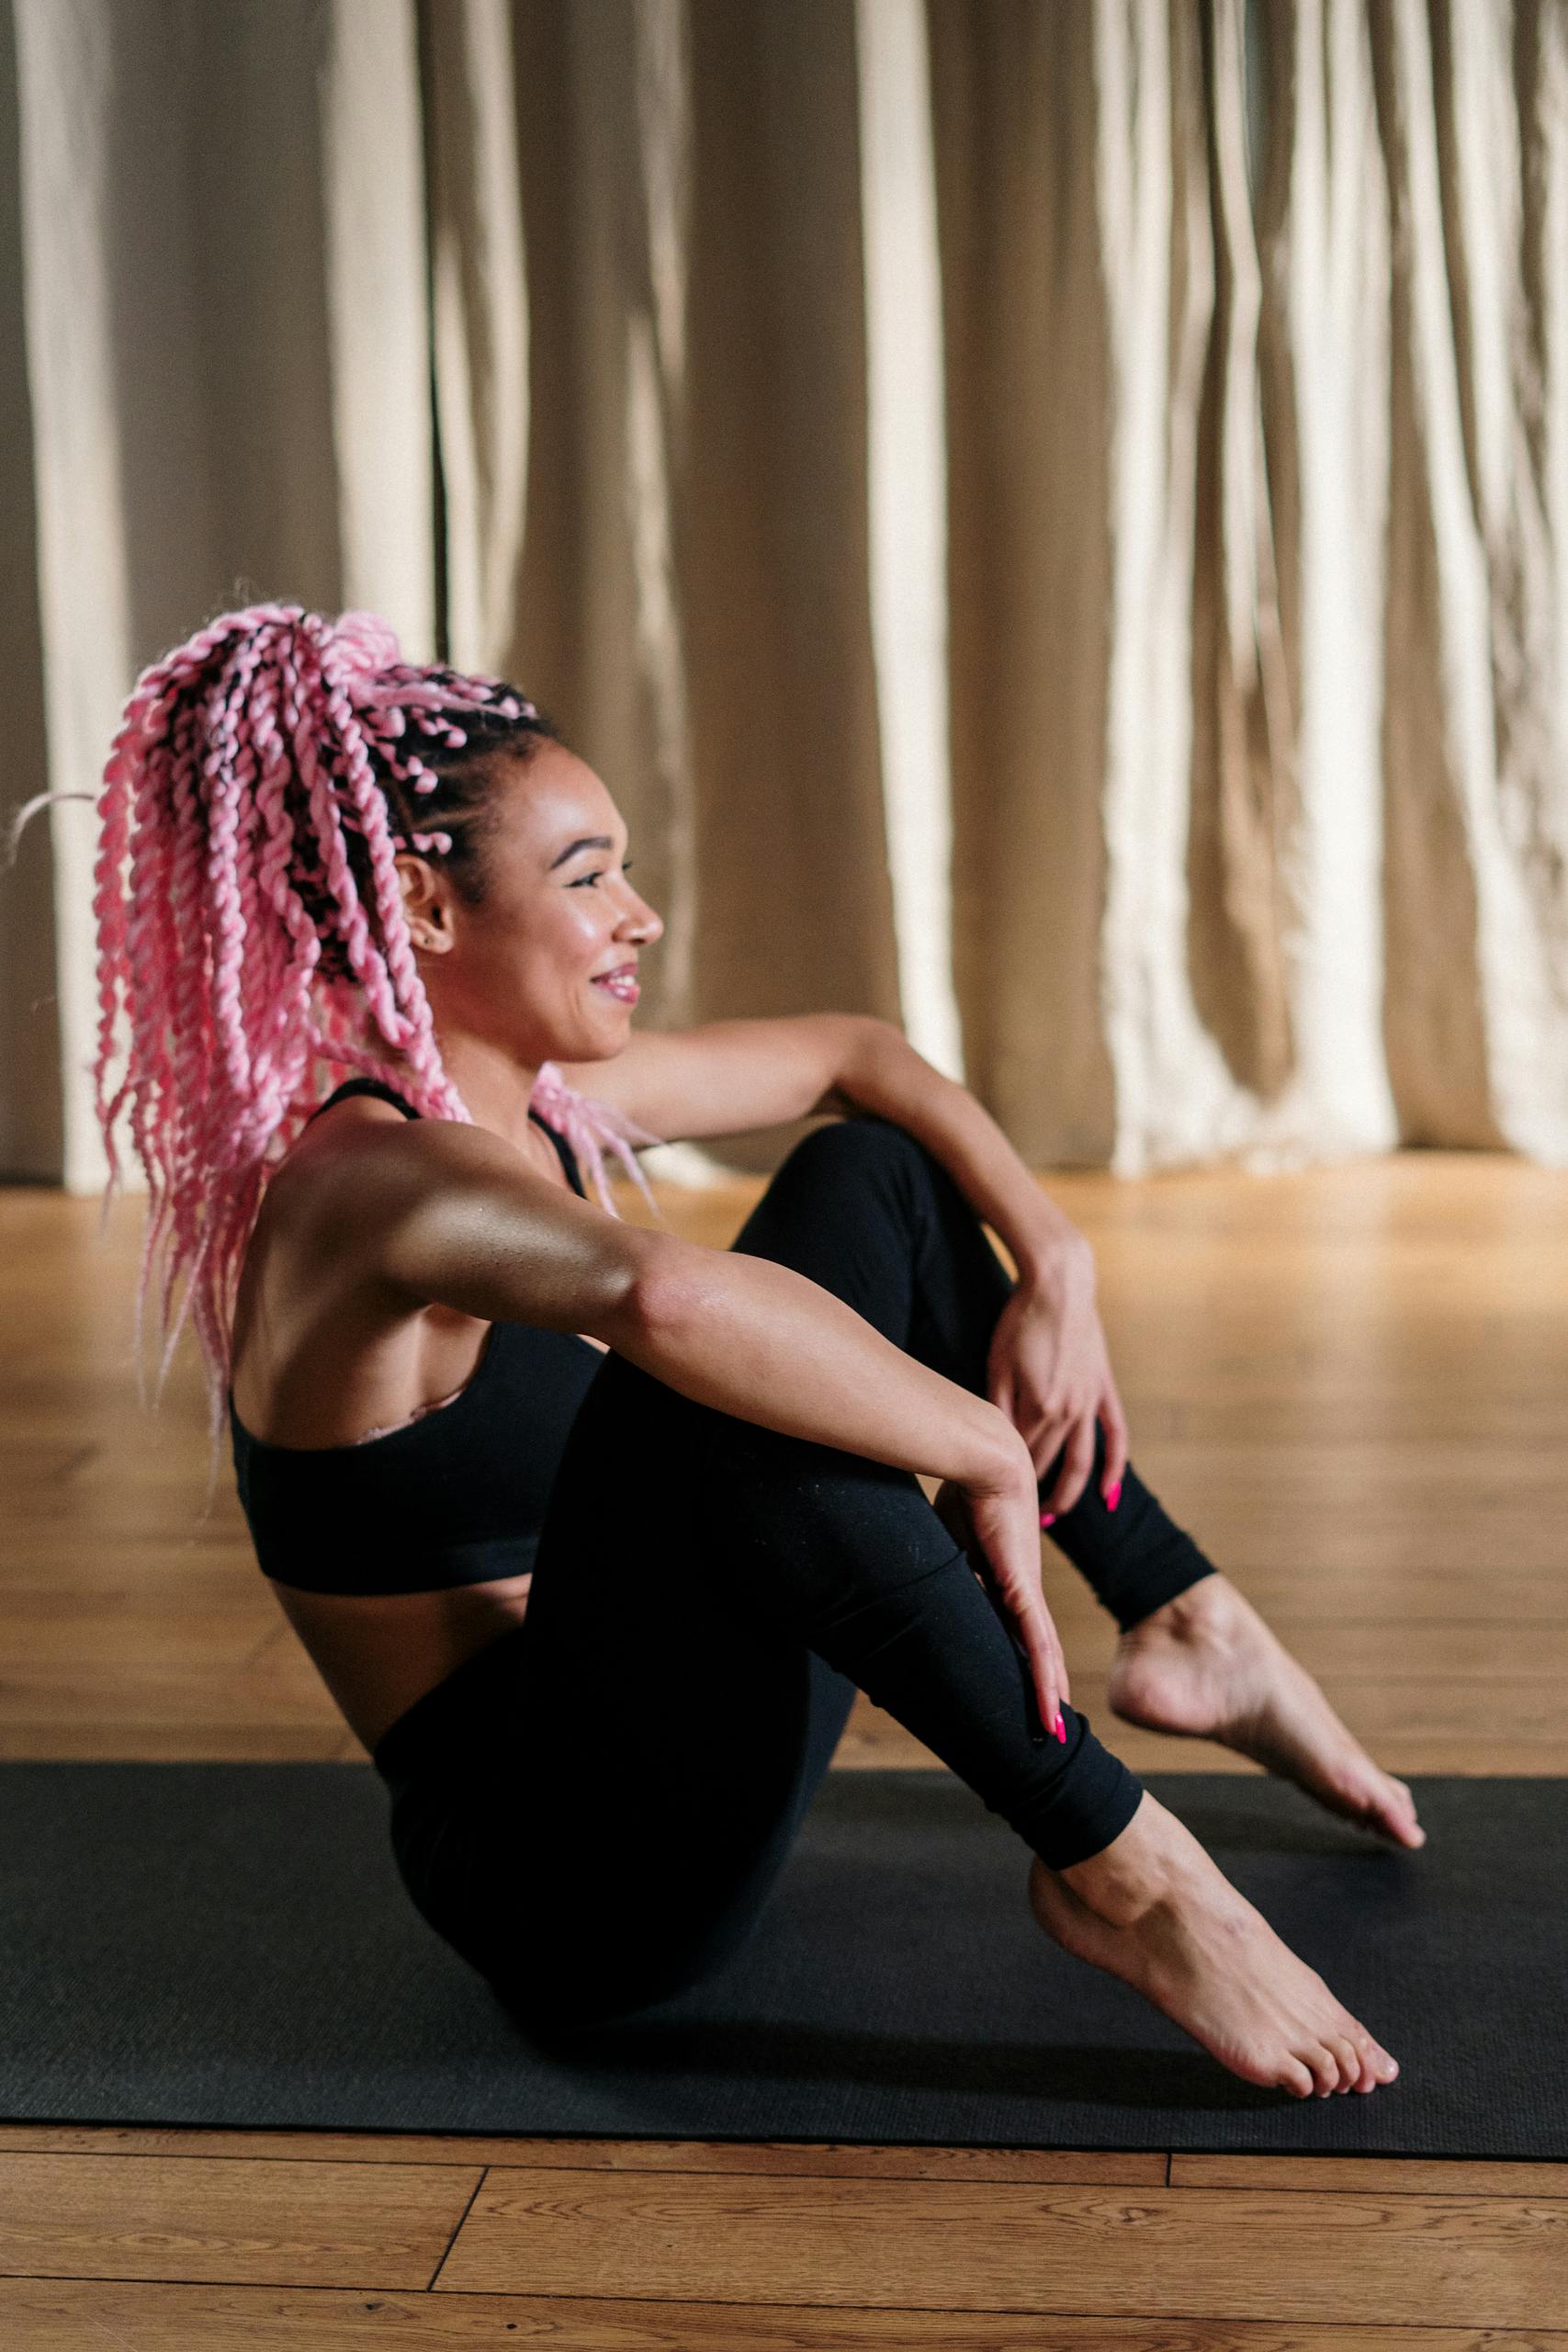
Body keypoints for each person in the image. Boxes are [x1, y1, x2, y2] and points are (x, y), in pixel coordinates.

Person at [66, 603, 1416, 2098]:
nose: (639, 914)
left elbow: (857, 1057)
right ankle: (1133, 1871)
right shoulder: (376, 1185)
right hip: (566, 1889)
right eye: (589, 877)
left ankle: (1181, 1608)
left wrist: (1059, 1254)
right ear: (425, 910)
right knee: (717, 1390)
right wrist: (968, 1443)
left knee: (876, 1181)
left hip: (687, 1767)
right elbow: (667, 1305)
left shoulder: (538, 1111)